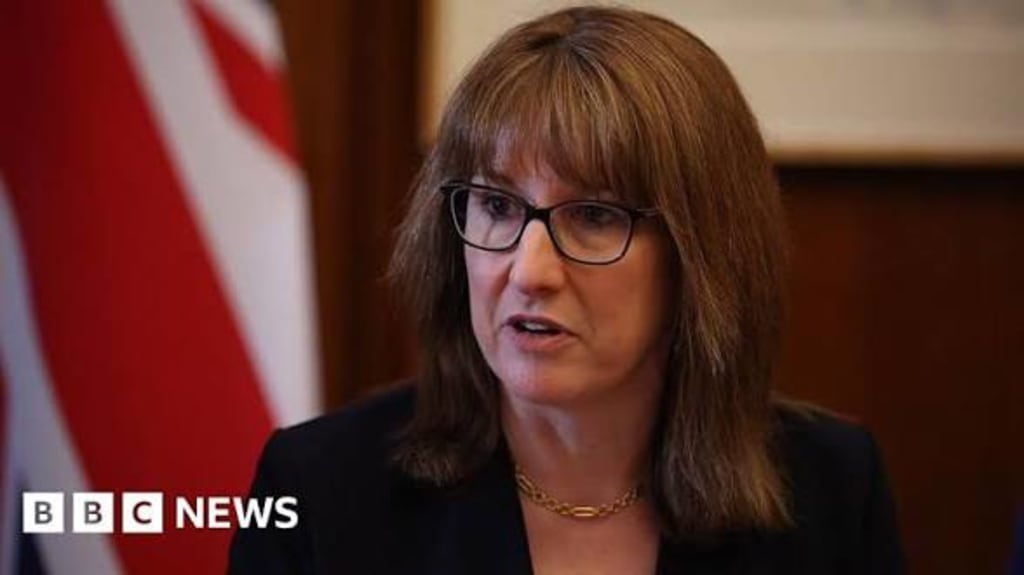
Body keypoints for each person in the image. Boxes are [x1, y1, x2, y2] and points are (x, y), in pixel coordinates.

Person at [228, 6, 905, 574]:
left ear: (699, 254)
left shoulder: (833, 490)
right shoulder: (319, 491)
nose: (529, 271)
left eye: (594, 216)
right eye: (497, 205)